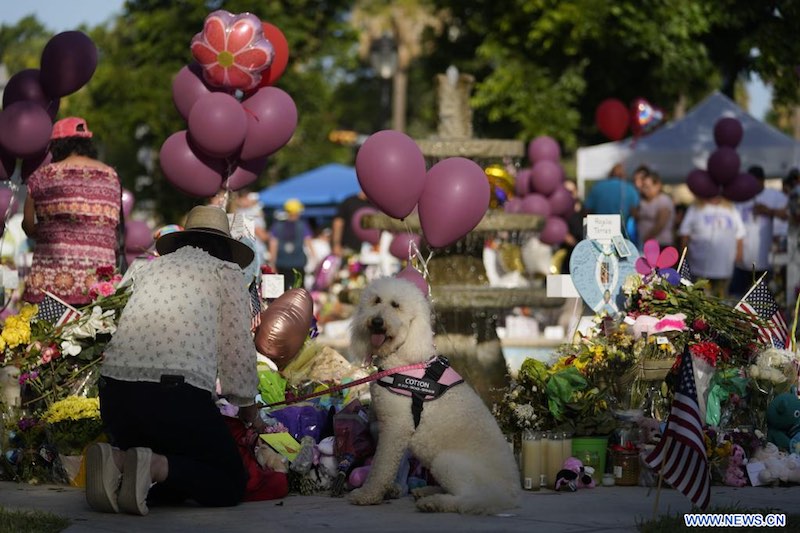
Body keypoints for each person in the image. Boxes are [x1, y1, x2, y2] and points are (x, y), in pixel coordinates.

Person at [85, 205, 264, 515]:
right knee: (230, 480)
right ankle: (151, 466)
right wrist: (251, 412)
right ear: (226, 247)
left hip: (114, 393)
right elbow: (237, 353)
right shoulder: (225, 272)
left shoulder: (151, 268)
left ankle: (121, 459)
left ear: (183, 240)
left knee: (178, 466)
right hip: (173, 396)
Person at [22, 117, 123, 305]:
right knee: (94, 333)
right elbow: (112, 222)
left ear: (58, 145)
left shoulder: (42, 176)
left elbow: (28, 226)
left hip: (51, 283)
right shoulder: (111, 176)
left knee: (48, 333)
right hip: (98, 282)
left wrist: (49, 230)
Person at [729, 166, 789, 297]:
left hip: (764, 261)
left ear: (762, 181)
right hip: (742, 261)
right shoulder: (740, 197)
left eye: (754, 181)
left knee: (760, 300)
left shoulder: (774, 196)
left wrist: (768, 211)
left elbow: (788, 215)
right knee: (736, 297)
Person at [678, 196, 745, 299]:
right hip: (699, 268)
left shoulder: (731, 208)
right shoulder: (696, 208)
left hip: (725, 269)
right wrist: (684, 255)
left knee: (722, 301)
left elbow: (740, 234)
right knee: (701, 300)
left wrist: (739, 253)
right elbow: (684, 233)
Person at [268, 198, 314, 290]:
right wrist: (314, 259)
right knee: (299, 291)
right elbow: (309, 243)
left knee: (282, 291)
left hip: (281, 263)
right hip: (298, 263)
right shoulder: (303, 225)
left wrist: (272, 263)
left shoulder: (277, 226)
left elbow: (273, 245)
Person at [583, 162, 640, 237]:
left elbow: (586, 211)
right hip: (621, 233)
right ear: (623, 175)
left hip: (599, 230)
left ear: (610, 174)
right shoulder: (630, 189)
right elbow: (635, 213)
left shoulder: (598, 187)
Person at [636, 172, 675, 248]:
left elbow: (661, 223)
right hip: (646, 244)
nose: (645, 190)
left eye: (648, 187)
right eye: (643, 187)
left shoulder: (663, 200)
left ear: (657, 186)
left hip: (660, 244)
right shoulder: (642, 201)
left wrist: (646, 237)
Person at [331, 190, 371, 258]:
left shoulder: (375, 203)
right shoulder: (350, 201)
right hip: (348, 247)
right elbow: (338, 223)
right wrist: (336, 244)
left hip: (370, 249)